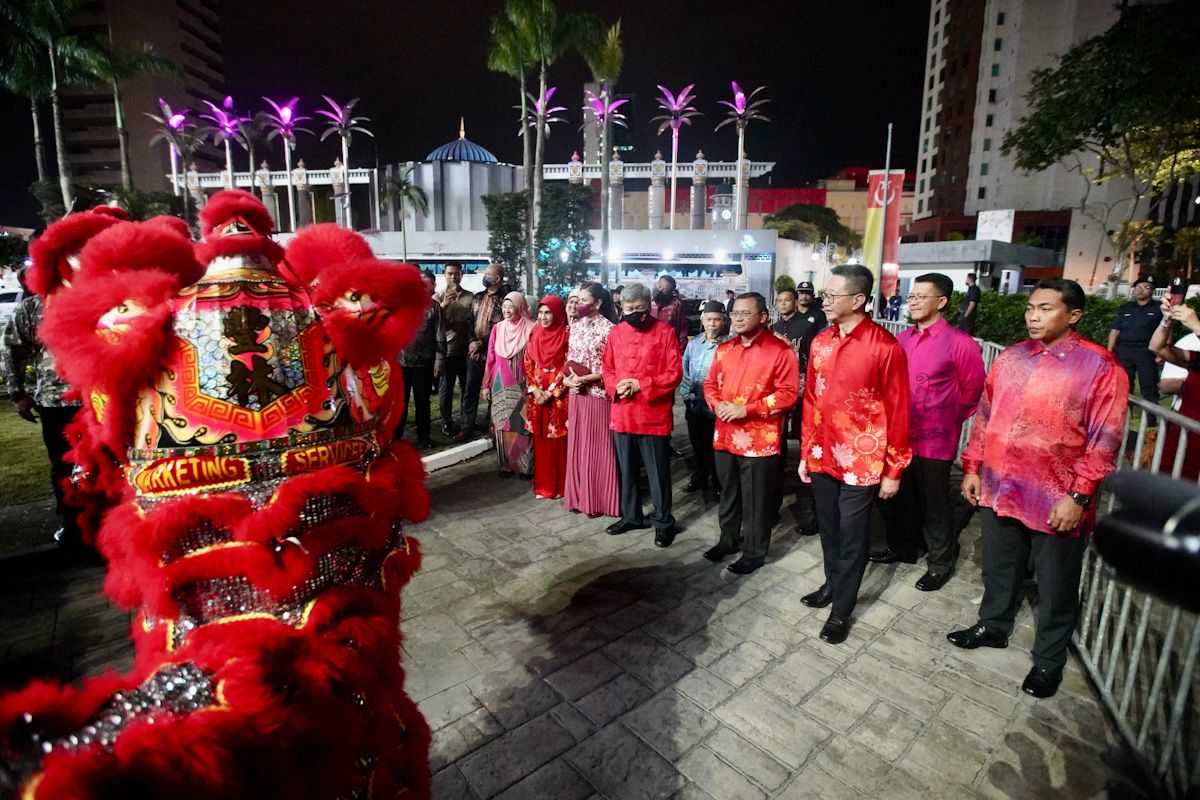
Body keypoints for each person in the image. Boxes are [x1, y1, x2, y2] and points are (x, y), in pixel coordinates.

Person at [948, 279, 1128, 699]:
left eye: (1045, 309)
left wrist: (1078, 496)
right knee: (999, 567)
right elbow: (985, 416)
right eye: (1031, 307)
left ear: (1074, 315)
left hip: (1055, 497)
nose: (1033, 316)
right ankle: (993, 626)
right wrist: (973, 467)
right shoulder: (1012, 357)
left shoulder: (1100, 367)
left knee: (1055, 583)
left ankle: (1048, 660)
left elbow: (1105, 441)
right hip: (999, 486)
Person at [798, 264, 912, 645]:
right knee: (828, 527)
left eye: (832, 296)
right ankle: (832, 585)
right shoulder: (821, 341)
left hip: (863, 460)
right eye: (825, 295)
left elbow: (898, 410)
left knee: (852, 534)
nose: (824, 301)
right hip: (822, 452)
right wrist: (806, 450)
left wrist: (894, 469)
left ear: (859, 300)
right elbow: (811, 399)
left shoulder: (885, 347)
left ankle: (842, 610)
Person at [872, 273, 985, 591]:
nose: (914, 302)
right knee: (901, 498)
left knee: (934, 503)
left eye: (922, 297)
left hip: (935, 440)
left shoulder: (960, 343)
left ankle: (940, 561)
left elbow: (973, 391)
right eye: (912, 296)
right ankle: (905, 548)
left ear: (942, 301)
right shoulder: (902, 339)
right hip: (898, 437)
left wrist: (947, 418)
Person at [704, 293, 800, 574]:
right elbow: (710, 384)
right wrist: (716, 404)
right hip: (725, 434)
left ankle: (755, 552)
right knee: (728, 492)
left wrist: (747, 409)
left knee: (756, 498)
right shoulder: (724, 349)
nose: (738, 318)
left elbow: (788, 394)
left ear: (763, 317)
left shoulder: (780, 351)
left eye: (745, 313)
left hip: (759, 440)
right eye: (735, 313)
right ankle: (728, 539)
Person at [602, 283, 683, 545]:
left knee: (658, 474)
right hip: (623, 414)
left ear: (650, 306)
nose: (635, 313)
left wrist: (642, 385)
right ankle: (631, 516)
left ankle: (663, 521)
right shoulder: (616, 333)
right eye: (629, 309)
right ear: (621, 308)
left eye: (640, 308)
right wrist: (616, 386)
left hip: (653, 416)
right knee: (627, 471)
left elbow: (674, 373)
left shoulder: (665, 333)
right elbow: (607, 368)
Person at [563, 283, 620, 517]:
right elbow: (569, 359)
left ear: (598, 303)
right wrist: (568, 381)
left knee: (597, 447)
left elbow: (611, 368)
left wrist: (586, 379)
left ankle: (599, 500)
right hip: (577, 393)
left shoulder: (610, 329)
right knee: (578, 446)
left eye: (584, 300)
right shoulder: (575, 326)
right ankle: (578, 497)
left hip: (598, 394)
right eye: (577, 300)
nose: (578, 304)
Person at [482, 291, 535, 478]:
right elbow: (490, 358)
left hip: (523, 383)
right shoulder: (498, 328)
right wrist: (486, 385)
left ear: (520, 307)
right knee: (502, 424)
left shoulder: (531, 328)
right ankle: (506, 465)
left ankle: (524, 467)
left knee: (522, 423)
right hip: (499, 383)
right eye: (504, 307)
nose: (507, 311)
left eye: (511, 307)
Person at [680, 301, 729, 495]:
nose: (712, 324)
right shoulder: (694, 344)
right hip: (695, 405)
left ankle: (718, 484)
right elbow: (685, 371)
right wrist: (686, 396)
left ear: (724, 321)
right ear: (702, 319)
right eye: (709, 319)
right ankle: (699, 479)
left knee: (717, 448)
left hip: (718, 408)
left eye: (717, 319)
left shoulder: (730, 344)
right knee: (698, 446)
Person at [525, 295, 570, 499]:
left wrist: (551, 392)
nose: (543, 317)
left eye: (548, 313)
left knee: (558, 442)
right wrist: (535, 389)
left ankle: (560, 487)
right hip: (537, 396)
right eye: (541, 312)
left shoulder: (566, 334)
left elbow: (567, 365)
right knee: (541, 441)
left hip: (558, 398)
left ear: (558, 314)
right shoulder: (535, 332)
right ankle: (543, 486)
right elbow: (528, 362)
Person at [1150, 298, 1200, 480]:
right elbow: (1157, 347)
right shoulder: (1196, 358)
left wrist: (1198, 327)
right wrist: (1166, 321)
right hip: (1181, 442)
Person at [468, 263, 514, 439]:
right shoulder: (478, 297)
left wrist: (481, 343)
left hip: (494, 351)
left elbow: (500, 325)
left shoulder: (505, 299)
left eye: (488, 274)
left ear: (497, 278)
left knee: (493, 390)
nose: (485, 277)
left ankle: (492, 425)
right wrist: (472, 342)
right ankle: (467, 425)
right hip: (474, 353)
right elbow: (469, 321)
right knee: (470, 389)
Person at [397, 269, 442, 448]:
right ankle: (396, 437)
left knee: (423, 402)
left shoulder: (434, 308)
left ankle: (424, 436)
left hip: (424, 363)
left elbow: (440, 336)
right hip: (401, 362)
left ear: (432, 286)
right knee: (400, 402)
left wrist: (439, 361)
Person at [435, 263, 475, 440]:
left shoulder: (470, 297)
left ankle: (466, 422)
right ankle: (446, 422)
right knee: (446, 389)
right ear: (444, 275)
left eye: (457, 274)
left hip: (465, 350)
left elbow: (473, 322)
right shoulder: (437, 297)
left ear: (461, 275)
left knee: (467, 388)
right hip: (447, 351)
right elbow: (433, 323)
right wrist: (443, 305)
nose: (453, 277)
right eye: (450, 274)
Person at [1107, 276, 1163, 405]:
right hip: (1124, 350)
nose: (1140, 290)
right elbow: (1115, 330)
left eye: (1145, 287)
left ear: (1153, 290)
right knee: (1124, 385)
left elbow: (1166, 330)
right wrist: (1109, 351)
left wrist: (1161, 352)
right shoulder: (1126, 307)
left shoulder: (1158, 308)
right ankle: (1125, 413)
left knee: (1149, 386)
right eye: (1138, 287)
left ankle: (1150, 416)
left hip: (1146, 351)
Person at [651, 274, 688, 352]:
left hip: (667, 346)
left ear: (670, 292)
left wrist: (681, 351)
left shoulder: (676, 304)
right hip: (649, 345)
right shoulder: (648, 301)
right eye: (659, 286)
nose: (660, 290)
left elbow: (682, 328)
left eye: (664, 290)